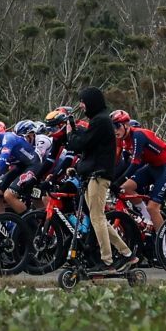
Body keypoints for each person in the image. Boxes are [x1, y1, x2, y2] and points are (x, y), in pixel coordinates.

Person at [62, 87, 132, 270]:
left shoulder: (101, 121)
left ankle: (106, 260)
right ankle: (127, 254)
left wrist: (70, 133)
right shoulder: (98, 121)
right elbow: (88, 145)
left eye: (83, 102)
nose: (81, 106)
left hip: (98, 176)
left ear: (91, 102)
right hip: (93, 175)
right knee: (99, 218)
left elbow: (80, 144)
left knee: (97, 218)